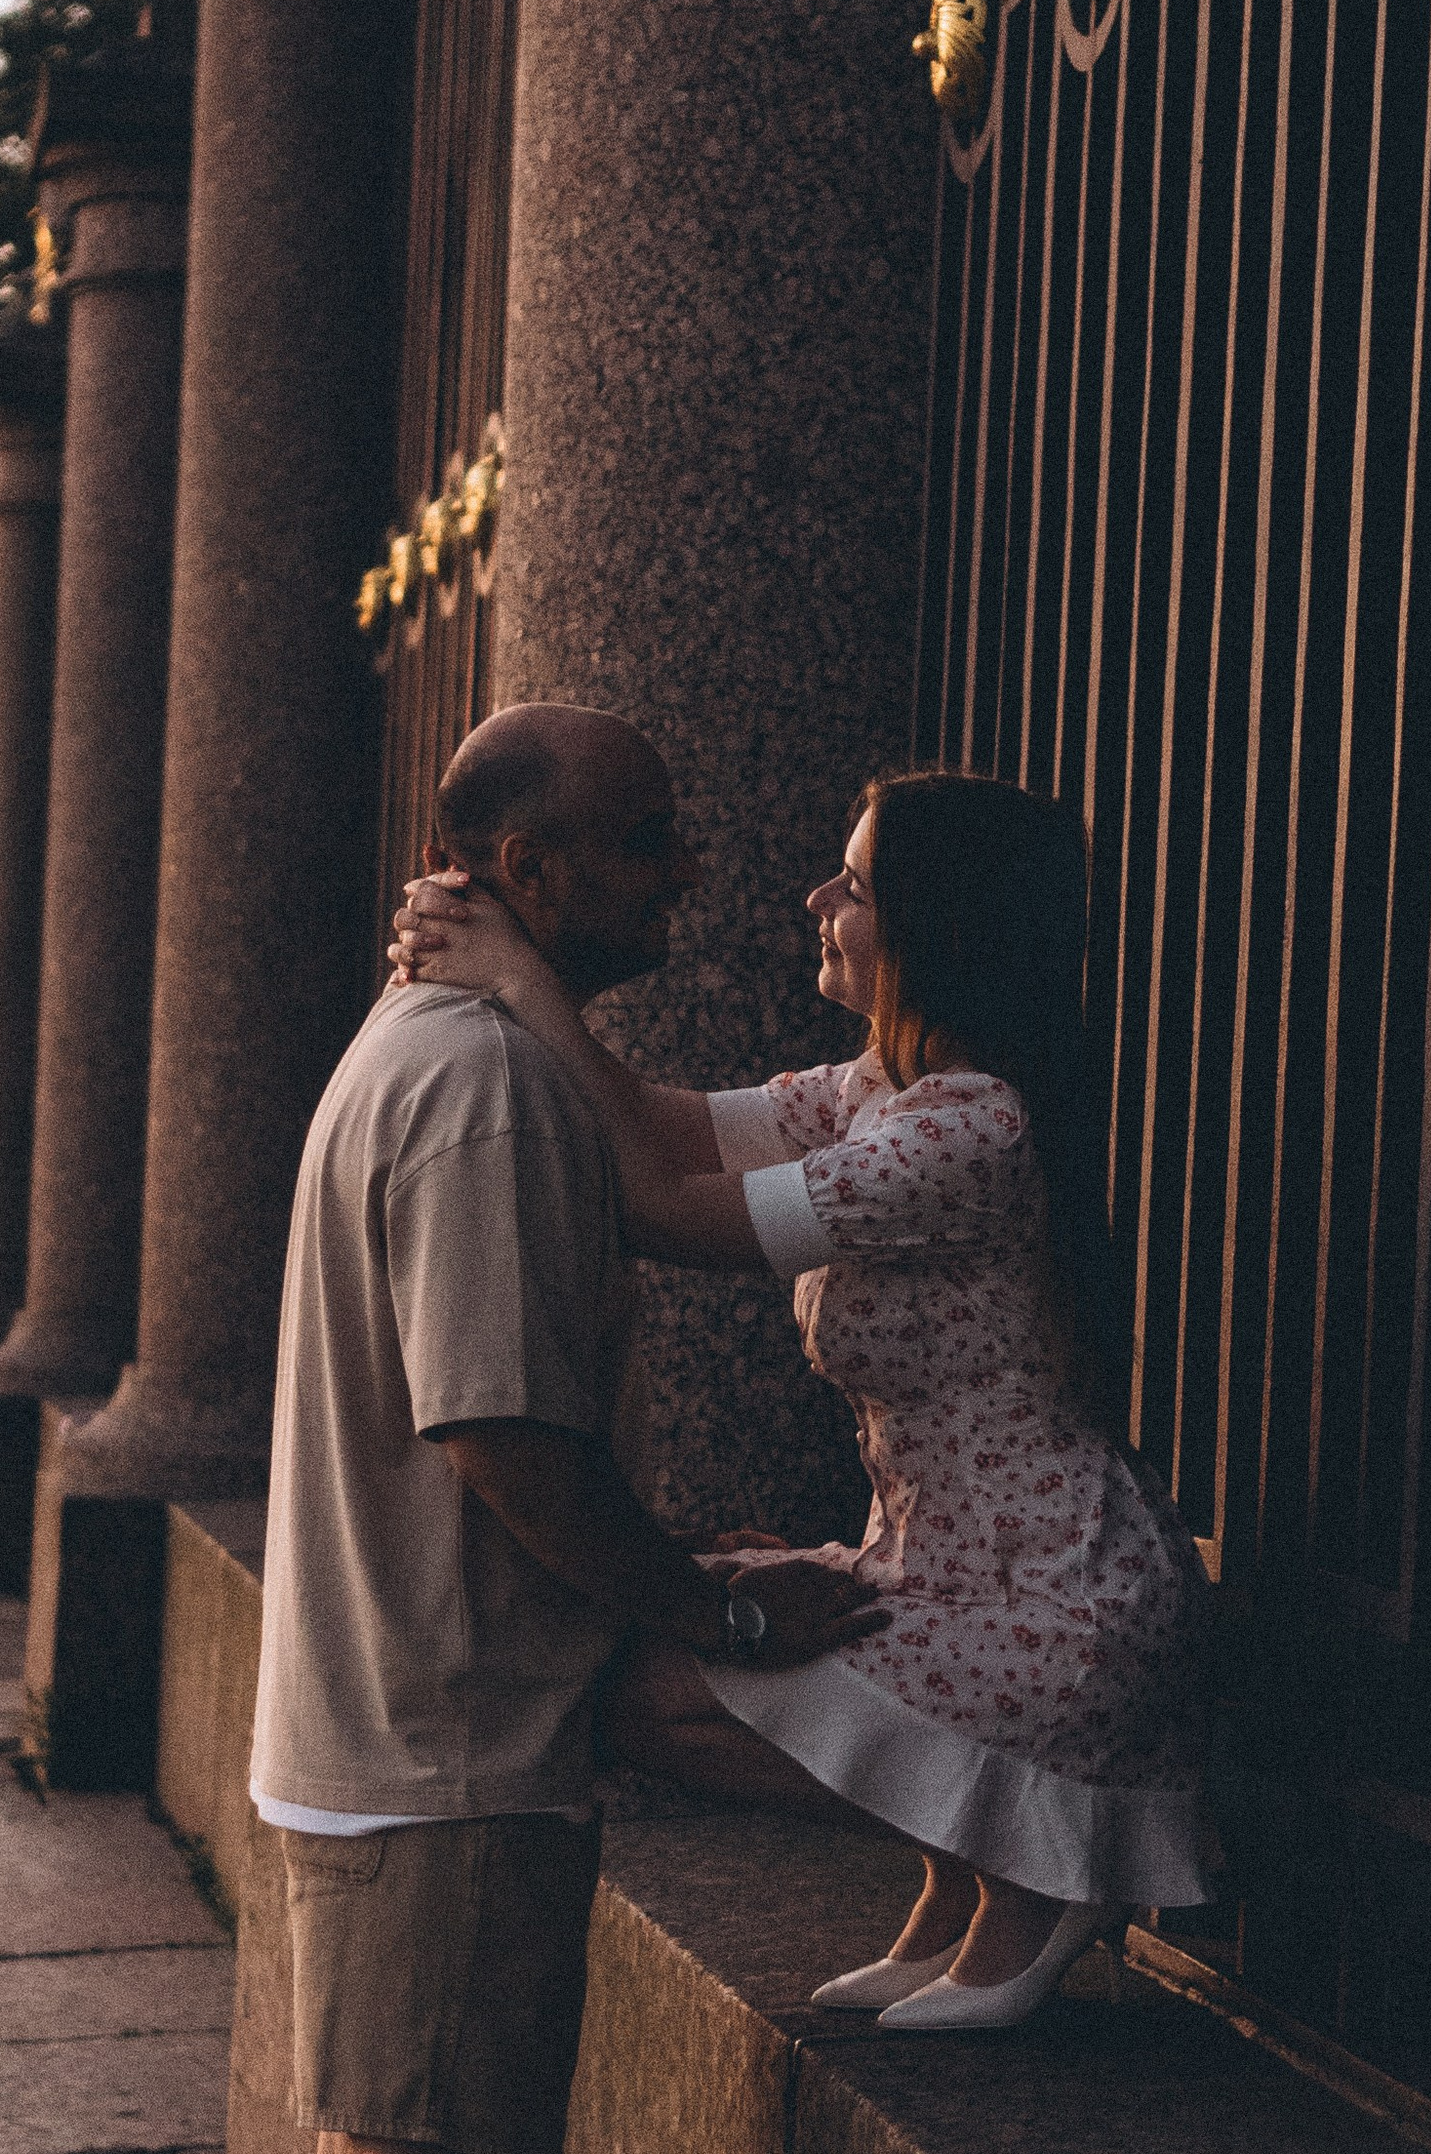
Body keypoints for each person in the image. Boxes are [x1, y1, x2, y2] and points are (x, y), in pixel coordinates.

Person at [218, 703, 880, 2154]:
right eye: (632, 850)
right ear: (504, 858)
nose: (678, 884)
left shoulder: (416, 1042)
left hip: (366, 1708)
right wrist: (692, 1594)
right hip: (449, 1733)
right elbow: (502, 1432)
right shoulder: (488, 1082)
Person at [395, 761, 1212, 2030]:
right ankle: (969, 1866)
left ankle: (1038, 1862)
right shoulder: (874, 1093)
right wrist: (526, 982)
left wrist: (519, 983)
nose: (817, 896)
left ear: (940, 927)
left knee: (654, 1693)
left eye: (860, 883)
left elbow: (664, 1207)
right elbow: (663, 1131)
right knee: (664, 1654)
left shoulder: (971, 1131)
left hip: (1057, 1604)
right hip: (955, 1569)